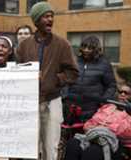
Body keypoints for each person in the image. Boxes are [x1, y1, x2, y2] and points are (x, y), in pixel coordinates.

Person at [16, 2, 79, 160]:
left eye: (52, 16)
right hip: (29, 102)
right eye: (46, 16)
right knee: (30, 146)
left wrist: (54, 79)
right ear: (36, 21)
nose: (50, 19)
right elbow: (16, 72)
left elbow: (73, 72)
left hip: (53, 101)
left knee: (51, 147)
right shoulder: (24, 46)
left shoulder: (62, 44)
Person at [64, 84, 131, 160]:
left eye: (126, 93)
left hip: (115, 143)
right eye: (120, 92)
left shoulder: (129, 114)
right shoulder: (108, 107)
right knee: (73, 144)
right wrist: (92, 128)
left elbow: (125, 134)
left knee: (92, 151)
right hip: (93, 136)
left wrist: (104, 129)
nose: (122, 94)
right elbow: (89, 123)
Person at [67, 35, 116, 121]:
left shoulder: (104, 64)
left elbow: (111, 86)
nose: (86, 50)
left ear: (96, 49)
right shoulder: (73, 61)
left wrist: (103, 100)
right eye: (84, 47)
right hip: (71, 108)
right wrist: (65, 95)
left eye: (90, 48)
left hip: (93, 110)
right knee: (70, 134)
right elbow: (66, 80)